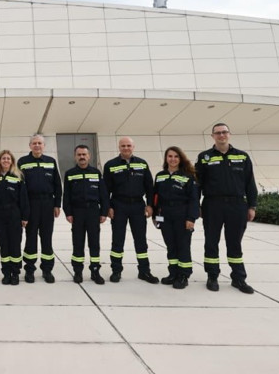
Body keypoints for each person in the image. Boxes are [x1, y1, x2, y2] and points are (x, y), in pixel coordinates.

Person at [195, 123, 258, 294]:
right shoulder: (204, 157)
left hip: (237, 205)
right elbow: (197, 184)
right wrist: (196, 206)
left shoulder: (242, 157)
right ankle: (212, 276)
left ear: (229, 134)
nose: (221, 135)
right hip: (212, 205)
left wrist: (252, 206)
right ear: (212, 136)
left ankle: (238, 278)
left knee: (234, 243)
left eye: (224, 132)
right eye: (218, 133)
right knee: (211, 241)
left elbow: (250, 183)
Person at [103, 137, 158, 284]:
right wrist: (108, 207)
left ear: (133, 147)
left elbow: (149, 187)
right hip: (118, 205)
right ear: (119, 147)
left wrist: (150, 205)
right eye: (123, 146)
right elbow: (105, 189)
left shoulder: (142, 163)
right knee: (117, 240)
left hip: (138, 206)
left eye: (128, 145)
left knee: (140, 240)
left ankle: (144, 271)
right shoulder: (110, 165)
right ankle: (116, 271)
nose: (126, 148)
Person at [152, 146, 199, 290]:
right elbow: (155, 197)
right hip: (165, 215)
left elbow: (194, 199)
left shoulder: (189, 176)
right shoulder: (160, 175)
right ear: (166, 158)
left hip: (182, 214)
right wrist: (155, 214)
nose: (173, 159)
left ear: (181, 159)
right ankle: (173, 273)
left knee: (183, 246)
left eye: (176, 156)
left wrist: (191, 218)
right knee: (171, 246)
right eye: (170, 156)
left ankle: (184, 275)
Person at [17, 134, 62, 284]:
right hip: (30, 204)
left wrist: (57, 204)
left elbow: (57, 185)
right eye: (34, 143)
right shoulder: (22, 162)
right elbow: (19, 186)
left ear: (44, 146)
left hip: (48, 204)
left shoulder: (51, 162)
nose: (37, 146)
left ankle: (47, 270)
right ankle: (29, 270)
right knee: (30, 238)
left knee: (47, 238)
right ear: (30, 145)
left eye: (40, 143)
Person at [63, 145, 109, 284]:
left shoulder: (96, 172)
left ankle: (95, 271)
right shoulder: (70, 173)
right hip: (77, 212)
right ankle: (78, 272)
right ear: (75, 156)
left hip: (93, 211)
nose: (82, 157)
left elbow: (104, 195)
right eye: (79, 154)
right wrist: (68, 213)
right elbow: (67, 196)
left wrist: (104, 212)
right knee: (78, 242)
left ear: (89, 156)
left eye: (84, 154)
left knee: (94, 243)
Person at [0, 150, 28, 285]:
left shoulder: (18, 177)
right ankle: (6, 273)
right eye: (3, 158)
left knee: (15, 245)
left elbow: (24, 199)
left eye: (8, 159)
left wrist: (25, 216)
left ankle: (15, 273)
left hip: (14, 215)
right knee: (4, 246)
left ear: (12, 161)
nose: (6, 161)